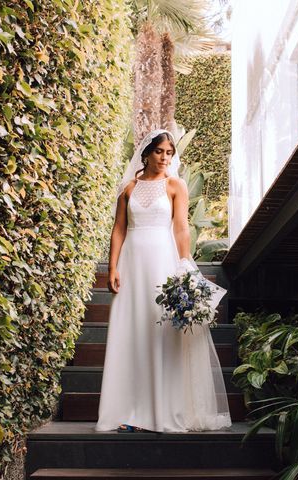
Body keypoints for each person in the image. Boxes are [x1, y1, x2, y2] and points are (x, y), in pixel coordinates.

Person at [95, 129, 232, 433]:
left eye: (169, 152)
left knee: (160, 333)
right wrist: (113, 267)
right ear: (145, 154)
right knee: (131, 333)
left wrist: (184, 264)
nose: (165, 158)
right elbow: (118, 229)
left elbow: (182, 228)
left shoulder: (175, 185)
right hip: (132, 265)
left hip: (163, 263)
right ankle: (128, 411)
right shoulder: (128, 188)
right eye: (160, 152)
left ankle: (163, 411)